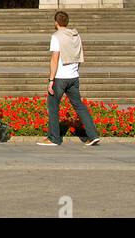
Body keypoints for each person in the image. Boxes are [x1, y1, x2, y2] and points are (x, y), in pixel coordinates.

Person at [37, 11, 101, 147]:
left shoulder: (56, 37)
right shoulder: (75, 35)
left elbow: (55, 58)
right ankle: (93, 135)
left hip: (60, 77)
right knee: (80, 106)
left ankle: (54, 138)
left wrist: (50, 80)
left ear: (56, 22)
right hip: (74, 76)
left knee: (53, 106)